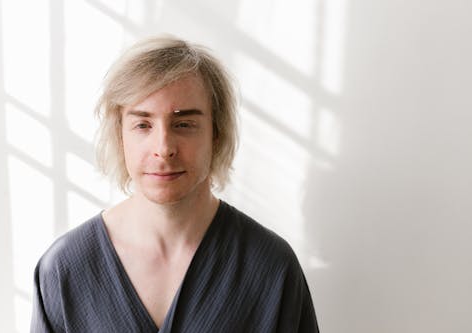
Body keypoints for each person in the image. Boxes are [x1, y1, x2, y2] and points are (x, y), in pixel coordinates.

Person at [30, 36, 319, 333]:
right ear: (120, 136)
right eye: (143, 125)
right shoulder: (65, 270)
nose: (164, 147)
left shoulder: (270, 268)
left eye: (183, 124)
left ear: (216, 134)